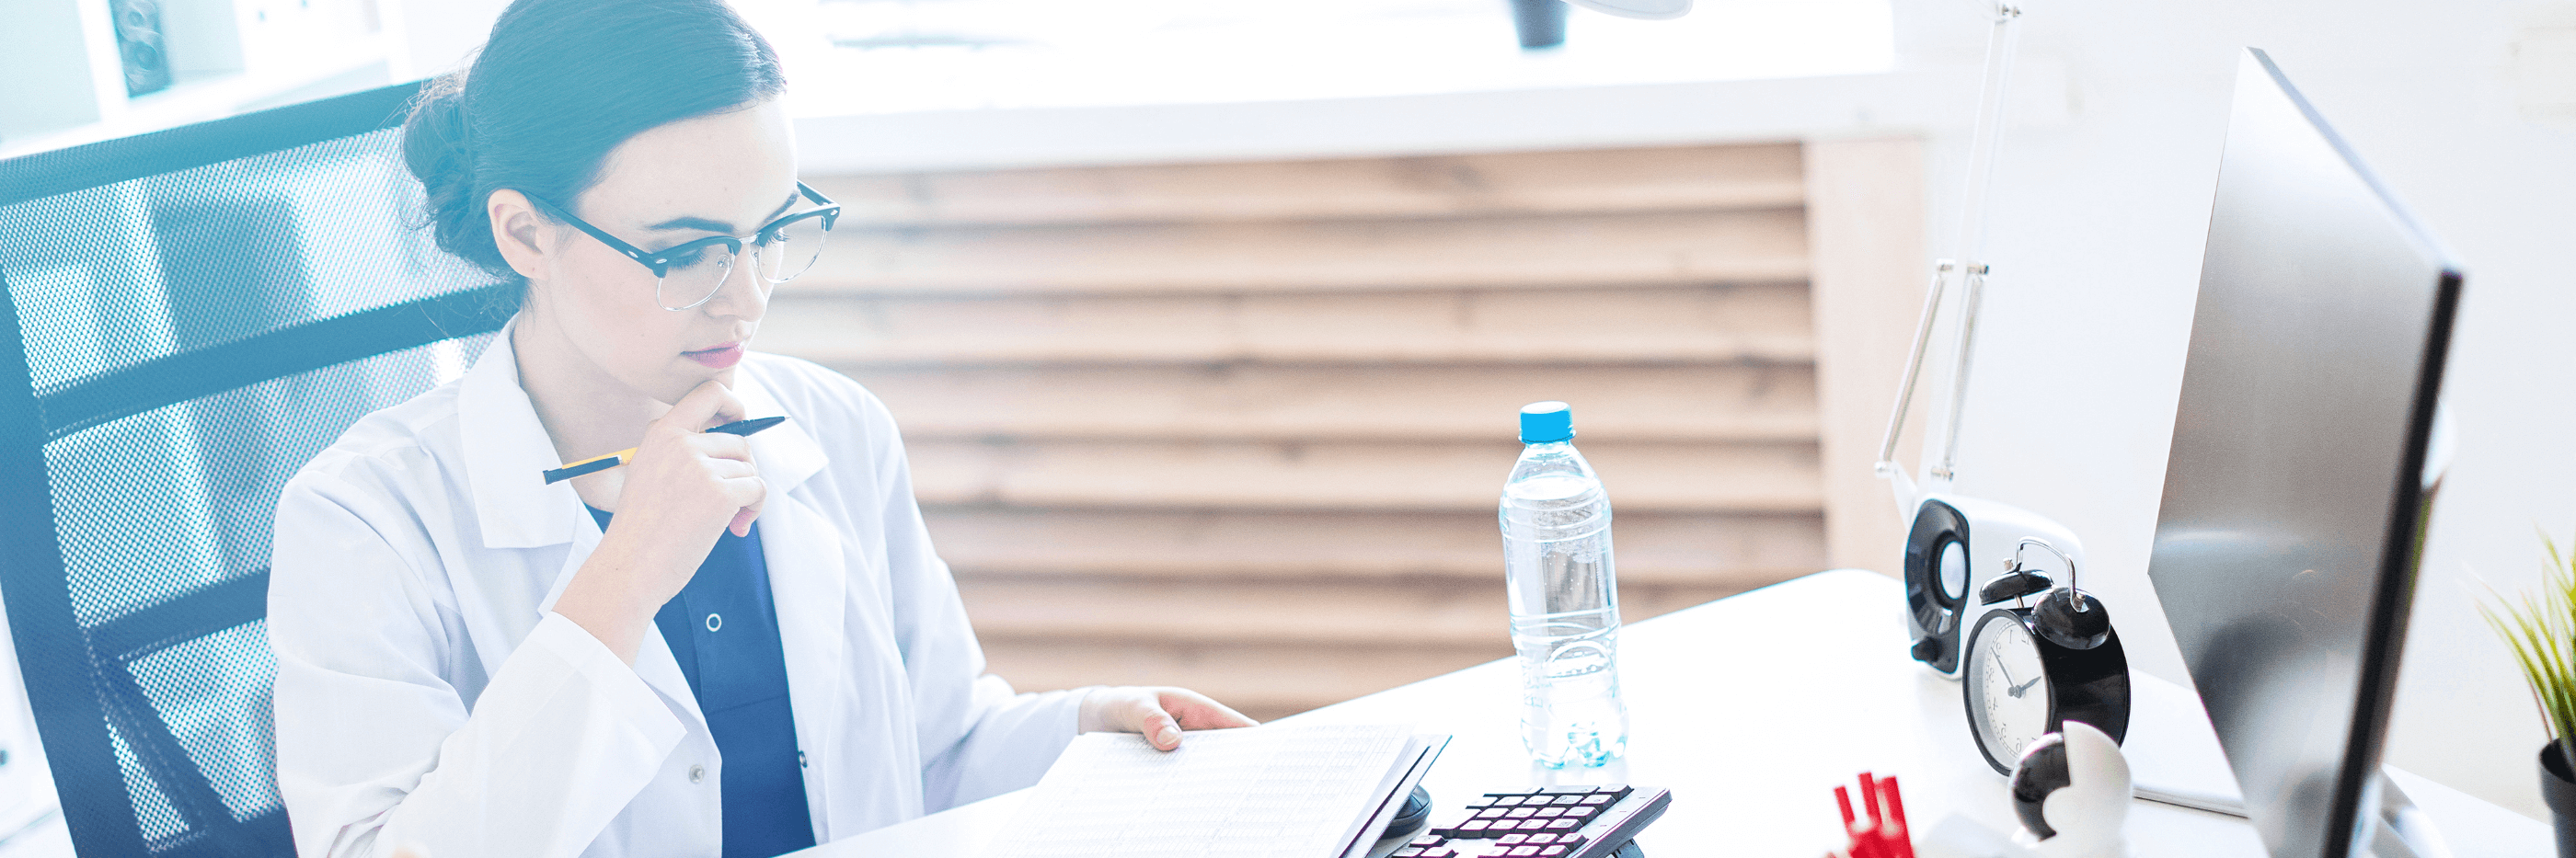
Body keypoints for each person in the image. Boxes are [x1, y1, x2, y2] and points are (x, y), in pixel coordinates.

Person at [264, 2, 1257, 856]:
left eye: (771, 234)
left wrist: (1092, 731)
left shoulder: (833, 426)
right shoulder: (363, 518)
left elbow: (933, 757)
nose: (744, 301)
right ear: (525, 232)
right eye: (688, 251)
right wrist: (624, 577)